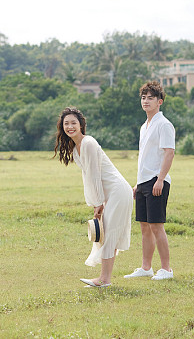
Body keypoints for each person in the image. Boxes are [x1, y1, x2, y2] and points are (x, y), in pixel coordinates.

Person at [54, 106, 132, 288]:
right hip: (109, 194)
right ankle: (104, 279)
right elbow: (89, 177)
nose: (70, 127)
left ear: (81, 125)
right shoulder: (76, 149)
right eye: (66, 124)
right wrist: (97, 202)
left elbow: (94, 175)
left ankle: (104, 279)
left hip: (118, 191)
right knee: (106, 235)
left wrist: (98, 203)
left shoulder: (88, 143)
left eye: (73, 123)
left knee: (110, 234)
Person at [124, 80, 176, 281]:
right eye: (143, 98)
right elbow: (145, 156)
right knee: (144, 226)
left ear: (159, 102)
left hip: (157, 180)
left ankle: (166, 269)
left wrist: (160, 179)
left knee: (157, 226)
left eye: (151, 98)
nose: (146, 101)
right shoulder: (144, 126)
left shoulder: (164, 124)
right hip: (145, 181)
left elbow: (169, 153)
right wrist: (139, 183)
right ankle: (146, 267)